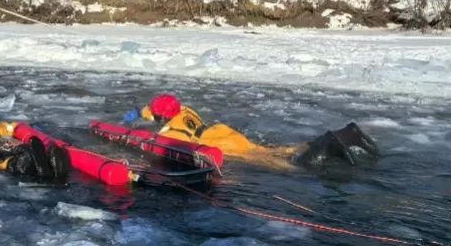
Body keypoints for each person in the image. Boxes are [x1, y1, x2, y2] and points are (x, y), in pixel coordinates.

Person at [123, 94, 379, 171]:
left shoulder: (173, 132)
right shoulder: (183, 110)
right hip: (221, 131)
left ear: (163, 117)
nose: (153, 116)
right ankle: (336, 137)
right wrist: (138, 111)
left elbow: (175, 148)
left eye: (155, 115)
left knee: (270, 162)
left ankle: (314, 160)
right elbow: (157, 111)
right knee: (267, 149)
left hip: (218, 144)